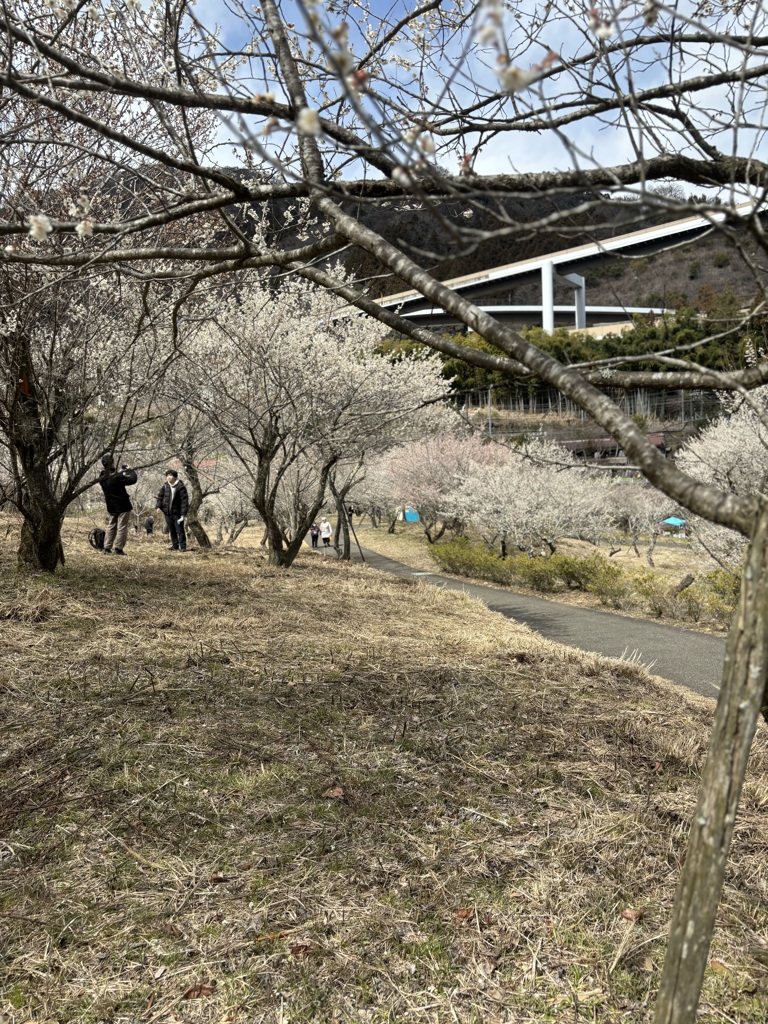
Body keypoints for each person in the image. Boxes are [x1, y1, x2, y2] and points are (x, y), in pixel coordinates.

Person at [98, 455, 138, 555]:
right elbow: (132, 480)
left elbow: (116, 475)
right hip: (123, 505)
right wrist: (131, 470)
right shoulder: (116, 477)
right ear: (111, 463)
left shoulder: (102, 476)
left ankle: (107, 548)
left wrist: (122, 470)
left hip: (111, 506)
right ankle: (118, 549)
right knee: (122, 527)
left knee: (111, 526)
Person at [155, 469, 189, 552]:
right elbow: (160, 497)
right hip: (167, 512)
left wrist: (183, 514)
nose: (168, 477)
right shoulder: (165, 486)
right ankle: (175, 545)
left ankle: (183, 547)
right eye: (167, 475)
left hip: (177, 513)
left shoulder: (180, 486)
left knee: (180, 530)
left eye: (170, 475)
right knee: (172, 530)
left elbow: (184, 501)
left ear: (175, 477)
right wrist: (158, 507)